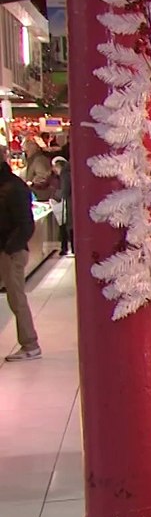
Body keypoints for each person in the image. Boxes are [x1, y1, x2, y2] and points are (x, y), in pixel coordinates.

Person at [0, 146, 39, 361]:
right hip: (8, 248)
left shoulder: (13, 188)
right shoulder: (9, 185)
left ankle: (30, 344)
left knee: (16, 299)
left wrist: (9, 248)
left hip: (10, 252)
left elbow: (26, 225)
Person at [51, 157, 73, 256]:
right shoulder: (68, 172)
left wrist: (55, 194)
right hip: (68, 203)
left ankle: (71, 248)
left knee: (68, 226)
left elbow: (64, 191)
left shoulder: (64, 174)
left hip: (68, 204)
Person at [23, 136, 55, 201]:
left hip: (41, 196)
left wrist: (32, 184)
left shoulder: (40, 160)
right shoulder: (32, 159)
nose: (26, 153)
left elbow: (43, 177)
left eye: (27, 151)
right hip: (36, 195)